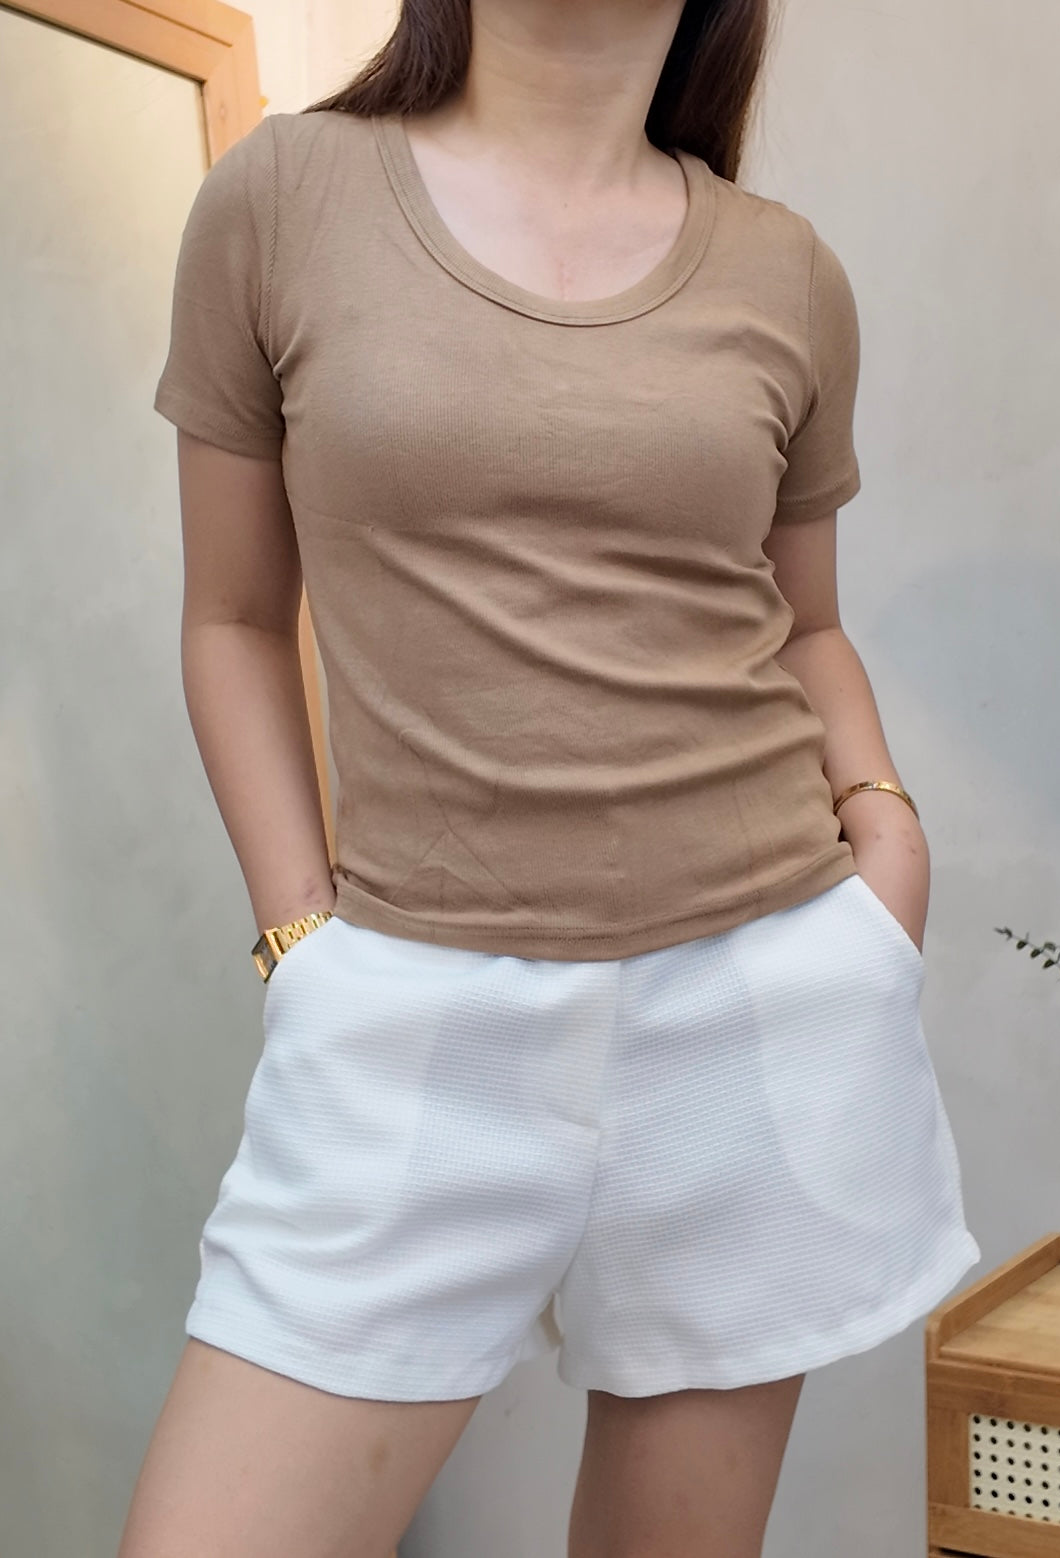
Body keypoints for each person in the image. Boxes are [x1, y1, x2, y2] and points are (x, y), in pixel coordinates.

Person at [118, 1, 981, 1553]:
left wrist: (888, 848)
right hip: (411, 1014)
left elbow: (807, 626)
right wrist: (301, 941)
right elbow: (232, 618)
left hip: (759, 1008)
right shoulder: (282, 199)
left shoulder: (788, 272)